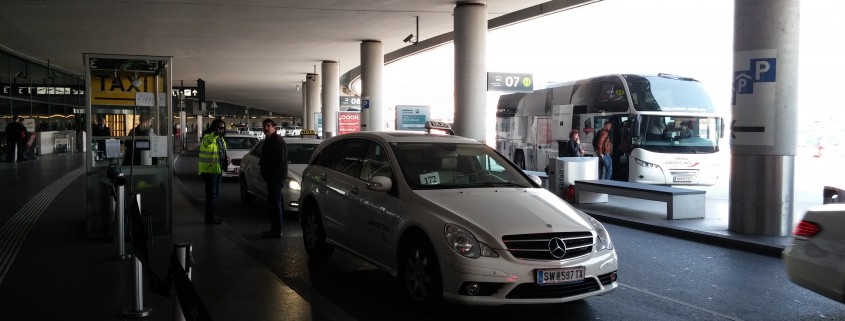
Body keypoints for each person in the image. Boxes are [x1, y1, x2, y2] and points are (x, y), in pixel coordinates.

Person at [259, 118, 287, 238]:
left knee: (275, 204)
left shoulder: (278, 141)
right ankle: (275, 229)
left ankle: (277, 231)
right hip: (272, 178)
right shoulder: (270, 140)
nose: (266, 128)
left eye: (268, 126)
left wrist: (272, 177)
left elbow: (278, 162)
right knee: (273, 203)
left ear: (274, 127)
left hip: (275, 179)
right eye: (264, 126)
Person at [198, 118, 228, 225]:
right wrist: (214, 134)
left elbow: (221, 153)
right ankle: (209, 218)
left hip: (217, 170)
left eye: (223, 128)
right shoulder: (208, 136)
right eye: (219, 128)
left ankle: (212, 216)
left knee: (215, 194)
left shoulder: (221, 139)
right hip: (209, 171)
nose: (221, 130)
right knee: (211, 195)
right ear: (214, 128)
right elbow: (208, 141)